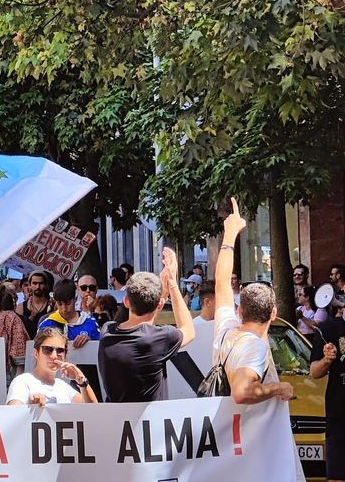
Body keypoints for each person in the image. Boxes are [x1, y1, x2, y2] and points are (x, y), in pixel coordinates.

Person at [214, 198, 293, 404]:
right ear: (273, 313)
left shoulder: (227, 331)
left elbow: (221, 283)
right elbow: (242, 392)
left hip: (230, 433)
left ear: (239, 311)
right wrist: (277, 387)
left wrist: (230, 235)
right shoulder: (254, 346)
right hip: (252, 434)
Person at [98, 247, 195, 402]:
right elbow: (188, 330)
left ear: (126, 301)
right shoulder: (160, 337)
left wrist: (161, 296)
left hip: (115, 422)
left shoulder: (107, 331)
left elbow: (144, 326)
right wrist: (172, 284)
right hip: (150, 423)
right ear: (159, 305)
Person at [7, 328, 98, 405]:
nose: (54, 356)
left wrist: (81, 380)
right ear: (36, 353)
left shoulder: (63, 386)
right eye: (47, 349)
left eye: (60, 350)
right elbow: (13, 415)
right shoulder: (22, 381)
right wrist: (31, 407)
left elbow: (93, 411)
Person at [310, 296, 345, 482]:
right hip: (339, 416)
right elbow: (314, 372)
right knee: (337, 475)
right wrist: (326, 360)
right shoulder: (329, 328)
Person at [38, 279, 100, 349]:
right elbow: (37, 351)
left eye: (68, 303)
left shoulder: (89, 322)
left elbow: (100, 350)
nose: (64, 309)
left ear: (74, 299)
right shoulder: (47, 324)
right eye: (60, 304)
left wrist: (90, 342)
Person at [15, 271, 53, 339]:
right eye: (34, 283)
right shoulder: (21, 307)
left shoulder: (53, 305)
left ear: (46, 285)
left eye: (41, 283)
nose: (38, 286)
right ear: (29, 285)